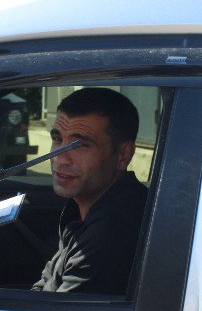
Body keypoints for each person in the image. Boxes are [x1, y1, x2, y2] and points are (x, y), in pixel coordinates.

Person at [33, 88, 149, 294]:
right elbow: (46, 283)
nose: (60, 158)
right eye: (58, 140)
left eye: (80, 145)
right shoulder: (88, 208)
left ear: (123, 154)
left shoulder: (113, 232)